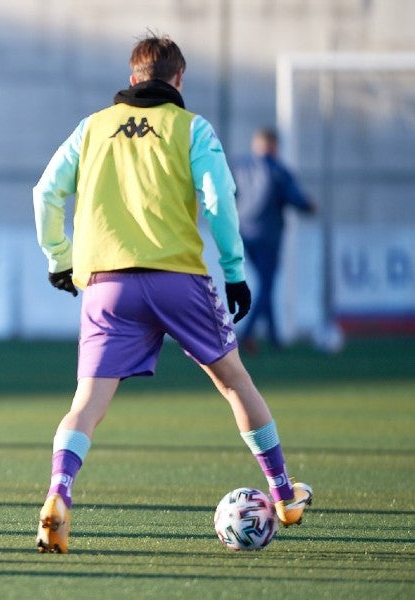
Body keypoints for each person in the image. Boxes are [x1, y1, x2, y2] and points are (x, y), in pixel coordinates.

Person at [32, 34, 312, 553]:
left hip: (105, 285)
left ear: (133, 77)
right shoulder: (191, 128)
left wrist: (59, 258)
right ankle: (283, 492)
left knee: (87, 403)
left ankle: (58, 493)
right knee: (234, 383)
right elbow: (219, 199)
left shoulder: (91, 128)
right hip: (176, 278)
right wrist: (233, 270)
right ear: (178, 80)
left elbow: (46, 192)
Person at [232, 127, 316, 351]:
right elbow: (297, 200)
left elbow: (228, 194)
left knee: (264, 283)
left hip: (243, 234)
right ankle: (247, 334)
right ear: (274, 146)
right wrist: (310, 206)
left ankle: (273, 336)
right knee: (267, 284)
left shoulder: (239, 167)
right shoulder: (278, 170)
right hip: (268, 236)